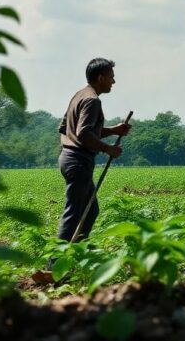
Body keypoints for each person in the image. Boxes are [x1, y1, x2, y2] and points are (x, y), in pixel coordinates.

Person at [56, 58, 132, 243]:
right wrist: (107, 149)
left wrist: (113, 130)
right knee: (75, 213)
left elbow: (66, 128)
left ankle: (74, 255)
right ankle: (56, 265)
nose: (113, 81)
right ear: (100, 78)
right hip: (78, 161)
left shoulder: (79, 95)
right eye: (111, 77)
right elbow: (83, 133)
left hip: (69, 158)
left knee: (90, 211)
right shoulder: (92, 101)